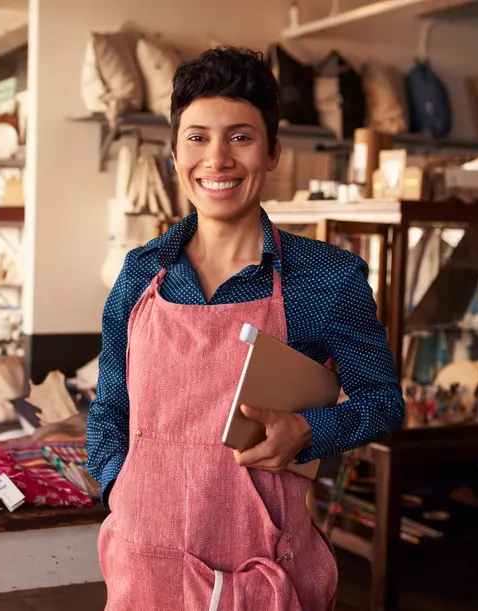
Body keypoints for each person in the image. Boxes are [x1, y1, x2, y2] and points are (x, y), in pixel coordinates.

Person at [86, 46, 405, 610]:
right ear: (176, 150)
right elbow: (110, 406)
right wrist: (121, 489)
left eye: (240, 137)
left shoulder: (327, 278)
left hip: (261, 575)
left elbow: (383, 403)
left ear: (273, 151)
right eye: (197, 137)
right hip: (145, 568)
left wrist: (309, 431)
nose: (217, 159)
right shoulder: (142, 273)